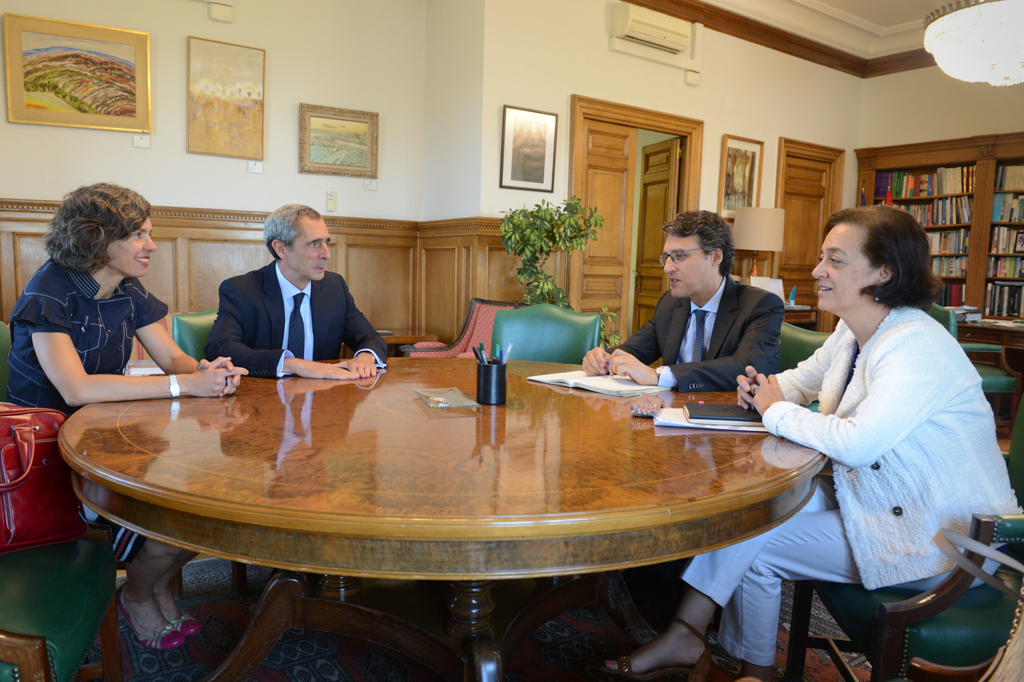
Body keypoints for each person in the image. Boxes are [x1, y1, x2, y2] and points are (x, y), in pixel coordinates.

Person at [600, 205, 1020, 682]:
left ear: (884, 273)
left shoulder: (915, 345)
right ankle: (687, 634)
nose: (818, 270)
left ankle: (752, 671)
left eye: (835, 261)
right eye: (822, 257)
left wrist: (774, 409)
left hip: (939, 532)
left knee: (759, 549)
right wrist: (762, 389)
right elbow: (799, 381)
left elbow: (857, 444)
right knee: (752, 512)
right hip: (877, 497)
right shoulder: (852, 331)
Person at [7, 183, 248, 651]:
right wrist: (184, 385)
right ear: (96, 239)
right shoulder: (48, 290)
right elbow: (75, 389)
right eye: (138, 235)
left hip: (105, 433)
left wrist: (206, 371)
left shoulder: (128, 286)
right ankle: (136, 596)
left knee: (202, 505)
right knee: (171, 521)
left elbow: (172, 359)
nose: (151, 245)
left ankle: (156, 588)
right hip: (47, 452)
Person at [582, 210, 783, 392]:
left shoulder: (760, 306)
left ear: (715, 257)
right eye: (667, 257)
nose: (667, 268)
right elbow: (634, 351)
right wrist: (604, 360)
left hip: (729, 416)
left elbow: (744, 369)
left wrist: (658, 376)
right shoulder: (670, 303)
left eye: (679, 256)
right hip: (670, 414)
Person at [205, 204, 388, 379]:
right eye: (314, 244)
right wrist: (292, 364)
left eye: (326, 242)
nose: (326, 254)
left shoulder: (335, 287)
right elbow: (220, 348)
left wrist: (366, 356)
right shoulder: (242, 290)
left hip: (324, 395)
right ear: (281, 249)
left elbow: (370, 337)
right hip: (264, 394)